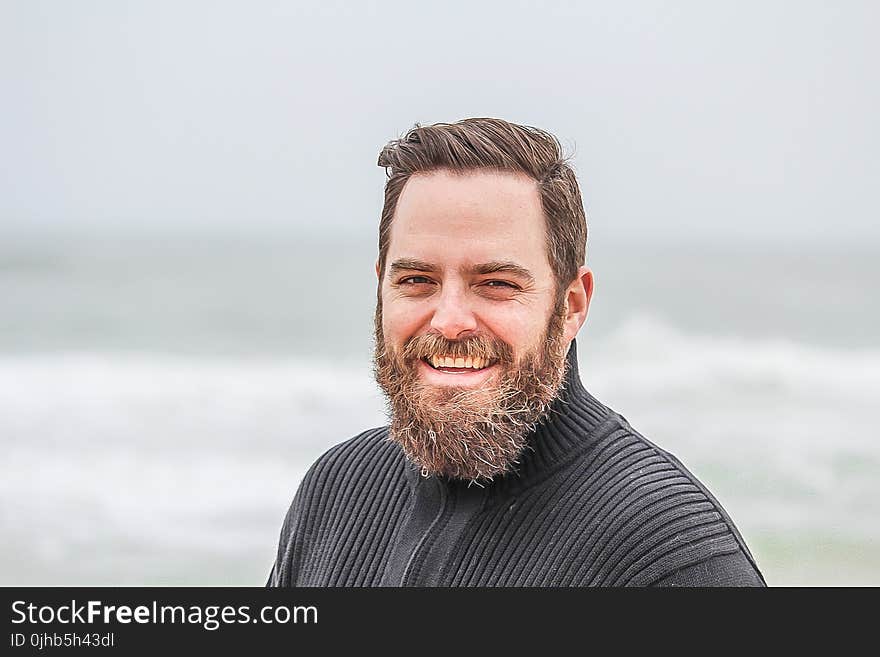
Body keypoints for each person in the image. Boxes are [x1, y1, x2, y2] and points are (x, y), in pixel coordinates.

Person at [267, 117, 765, 587]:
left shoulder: (667, 553)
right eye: (417, 280)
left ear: (571, 306)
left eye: (497, 284)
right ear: (382, 289)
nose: (450, 320)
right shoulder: (335, 491)